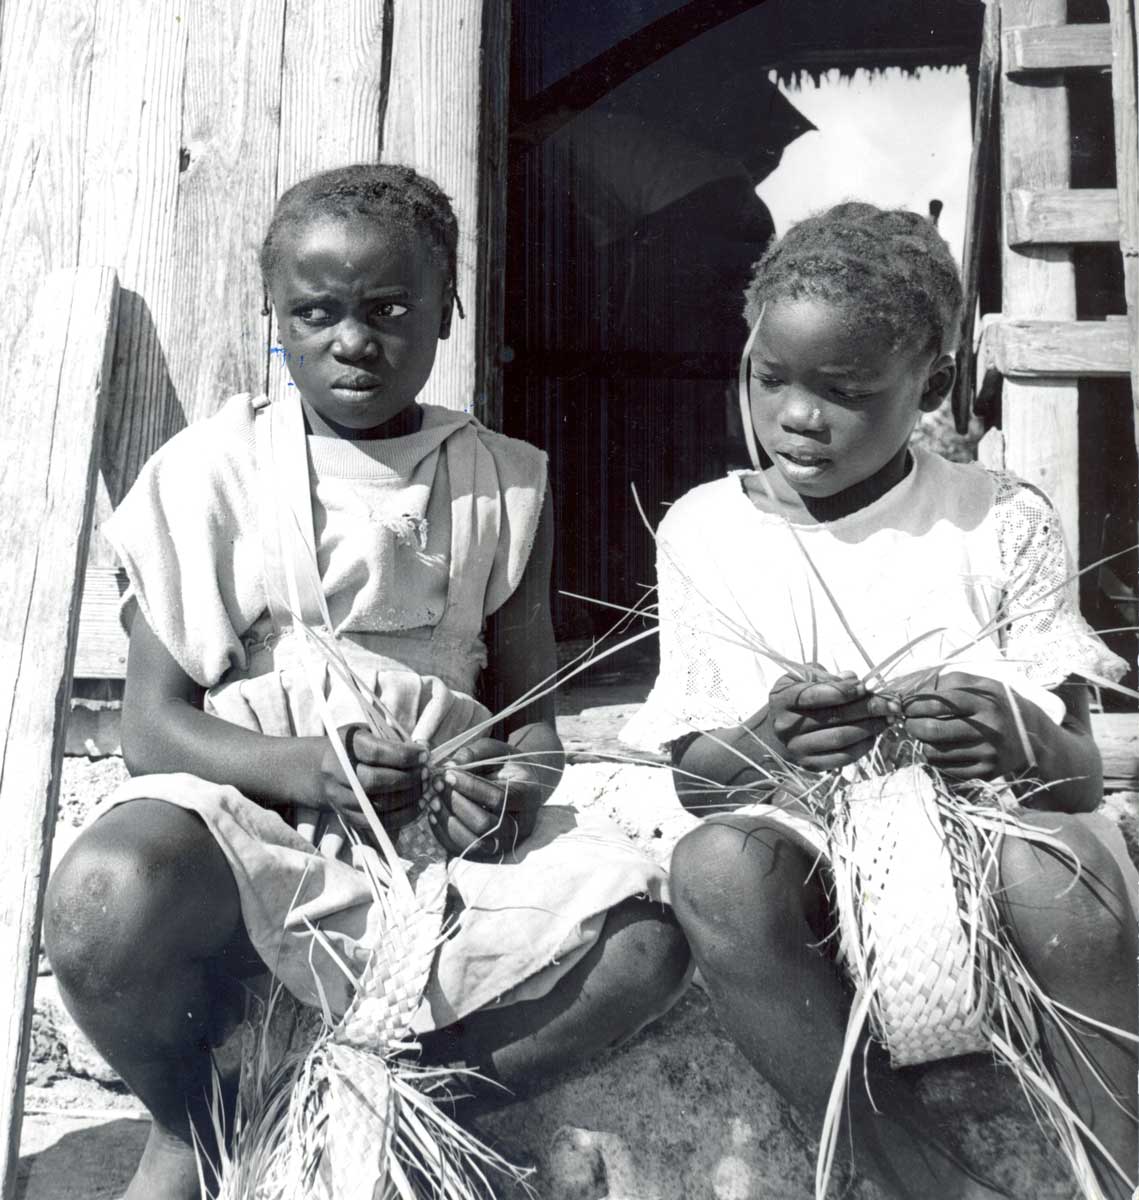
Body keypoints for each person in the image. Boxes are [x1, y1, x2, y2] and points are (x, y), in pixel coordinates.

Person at [44, 164, 690, 1200]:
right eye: (317, 312)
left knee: (645, 943)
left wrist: (503, 792)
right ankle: (197, 1124)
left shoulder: (504, 479)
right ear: (275, 315)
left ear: (450, 311)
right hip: (247, 814)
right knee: (101, 897)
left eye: (391, 309)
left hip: (432, 841)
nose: (354, 340)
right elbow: (152, 732)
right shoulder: (212, 470)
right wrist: (301, 768)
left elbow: (533, 731)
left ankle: (364, 1103)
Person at [621, 203, 1138, 1200]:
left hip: (982, 832)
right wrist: (769, 739)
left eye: (844, 392)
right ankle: (916, 1182)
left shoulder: (995, 517)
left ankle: (1119, 1170)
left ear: (930, 385)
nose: (796, 416)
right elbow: (698, 782)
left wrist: (1012, 735)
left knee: (1059, 883)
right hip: (809, 846)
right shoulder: (704, 530)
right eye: (769, 379)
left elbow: (1074, 776)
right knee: (716, 872)